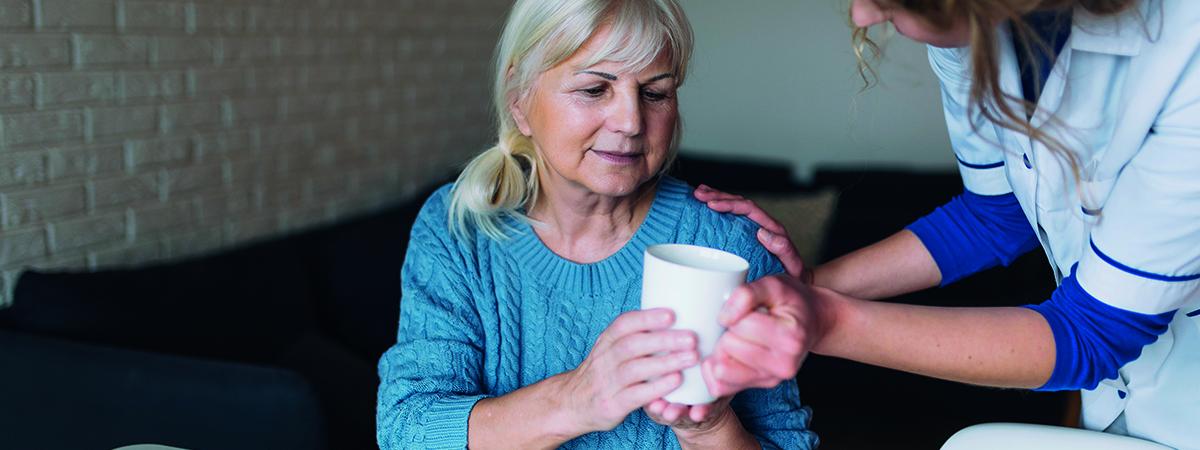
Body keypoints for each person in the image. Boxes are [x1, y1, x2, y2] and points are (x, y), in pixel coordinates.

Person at [695, 0, 1200, 448]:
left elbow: (1090, 332)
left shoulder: (1187, 54)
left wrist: (826, 320)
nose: (863, 15)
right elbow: (996, 217)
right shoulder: (973, 31)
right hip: (1122, 400)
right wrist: (805, 287)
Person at [376, 1, 818, 449]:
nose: (630, 122)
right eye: (593, 89)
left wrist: (709, 428)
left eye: (655, 93)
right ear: (519, 99)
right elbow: (406, 429)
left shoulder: (726, 244)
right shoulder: (459, 229)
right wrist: (578, 399)